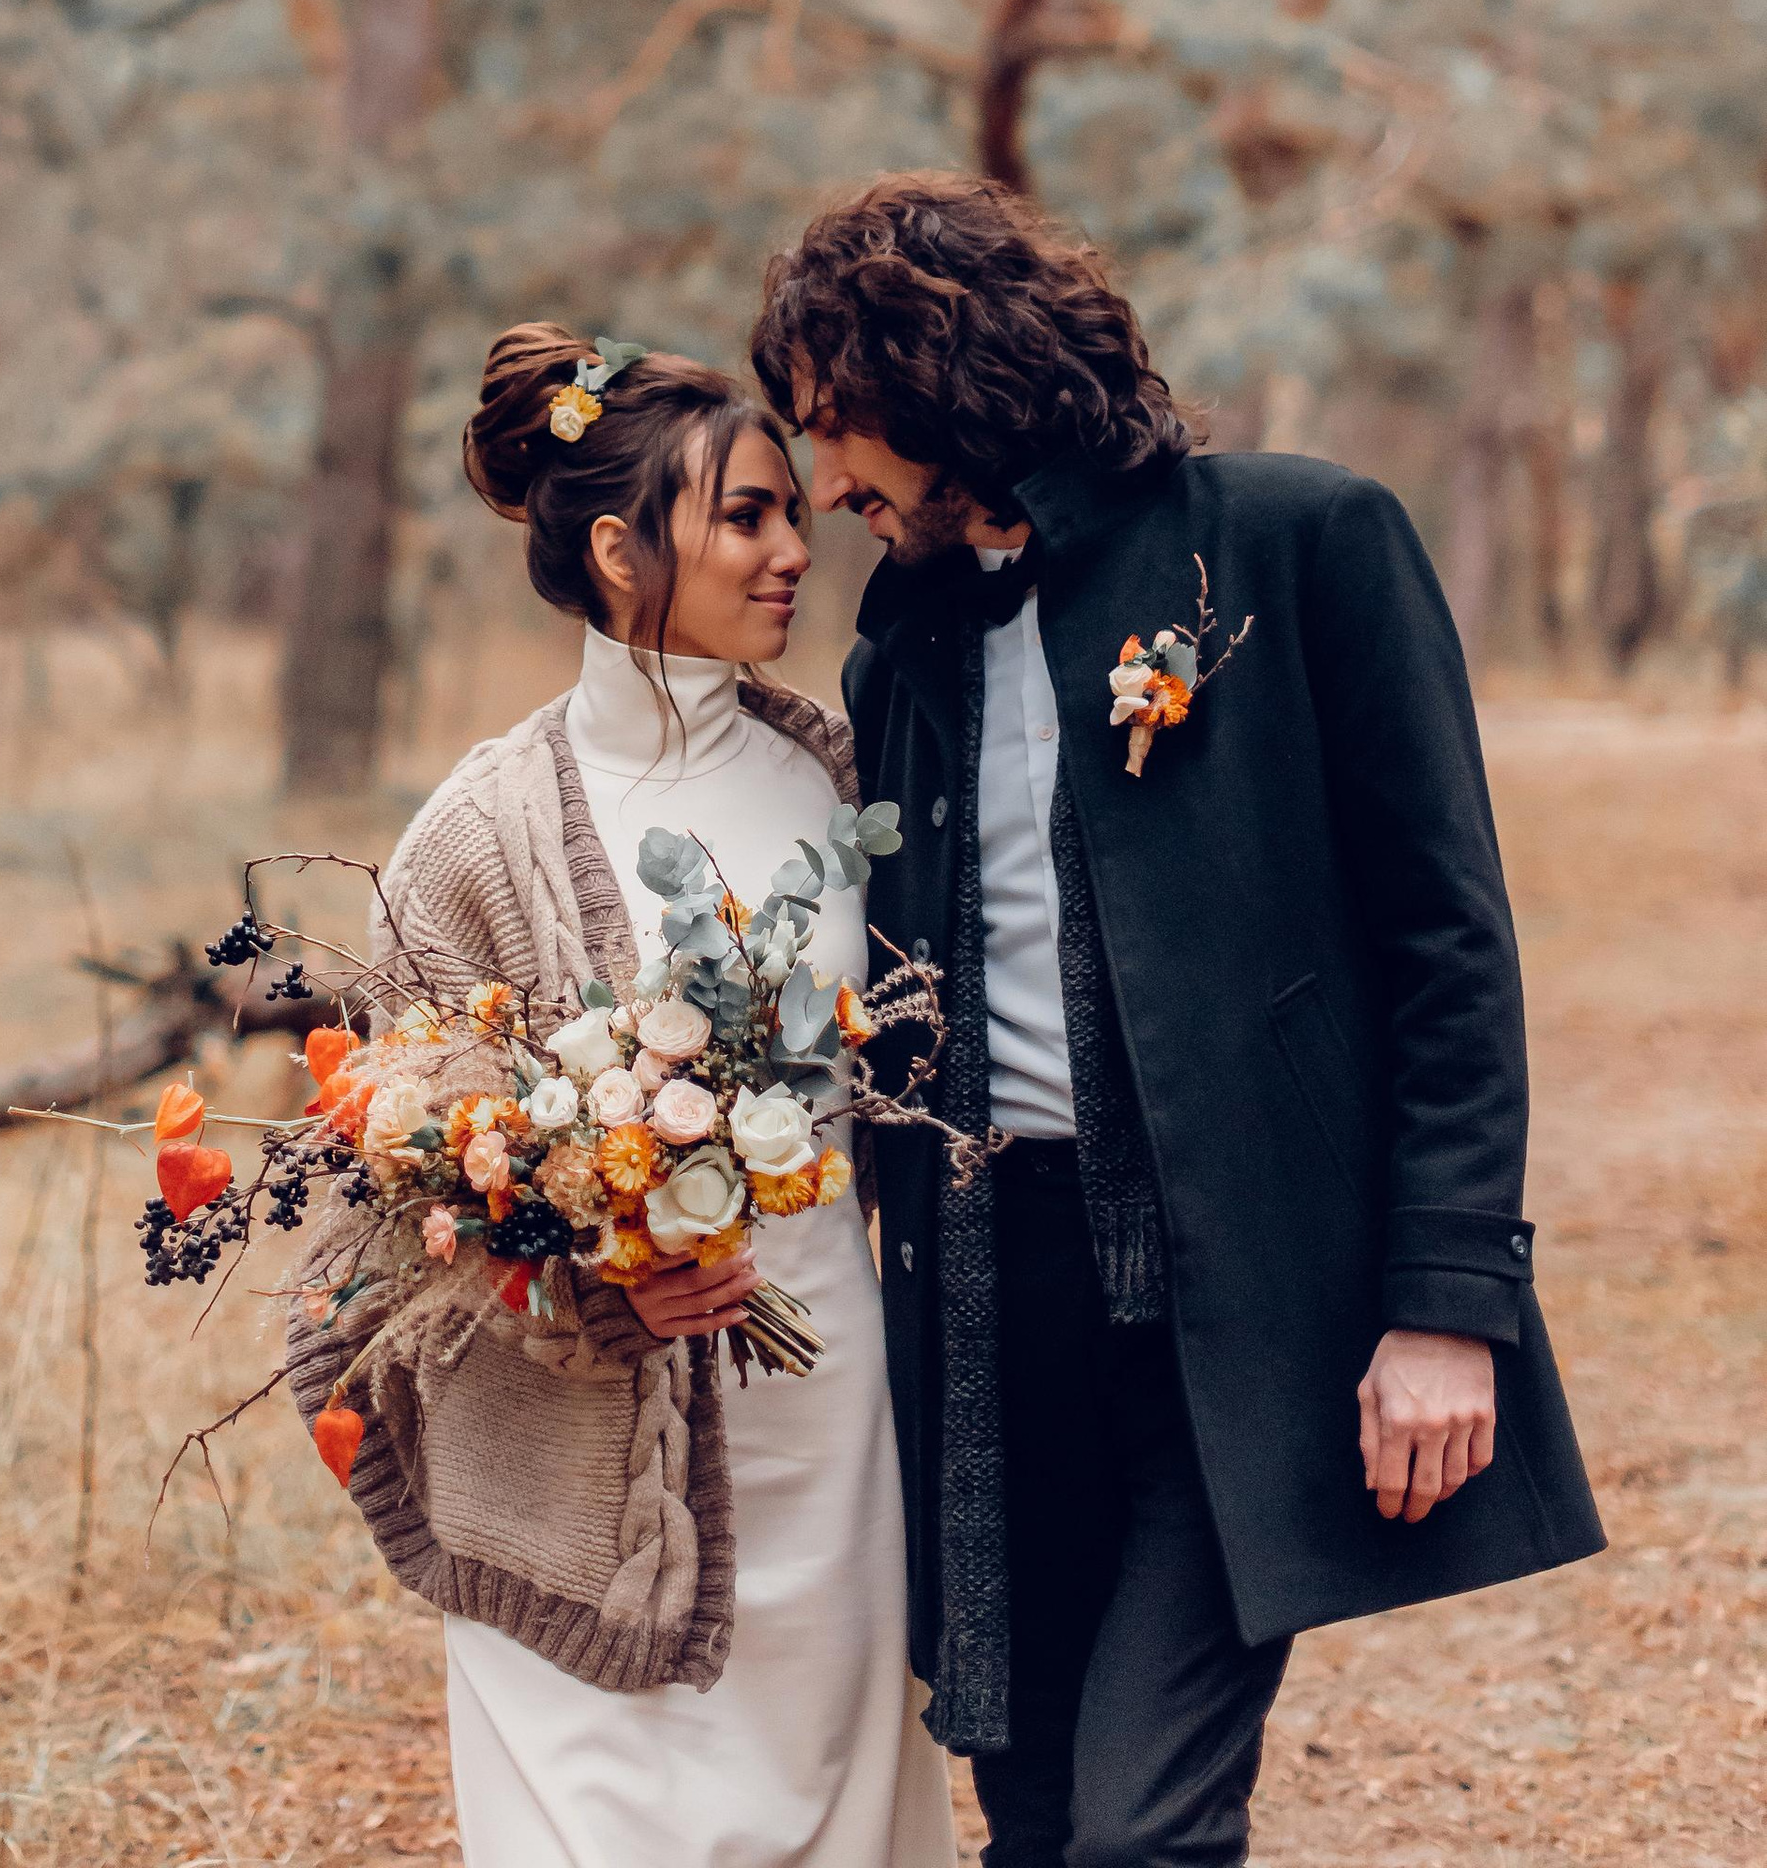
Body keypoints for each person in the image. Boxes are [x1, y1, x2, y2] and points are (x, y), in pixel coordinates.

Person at [750, 169, 1606, 1868]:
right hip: (991, 1315)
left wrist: (1449, 1304)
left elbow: (1450, 947)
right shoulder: (900, 642)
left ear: (938, 382)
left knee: (1144, 1832)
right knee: (1043, 1819)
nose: (823, 481)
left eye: (835, 429)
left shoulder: (1300, 544)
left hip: (1243, 1302)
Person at [289, 327, 956, 1868]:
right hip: (584, 1454)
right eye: (747, 517)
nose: (795, 550)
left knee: (837, 1821)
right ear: (615, 546)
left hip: (822, 1413)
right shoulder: (481, 830)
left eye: (796, 512)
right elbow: (392, 1201)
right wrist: (592, 1288)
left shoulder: (835, 779)